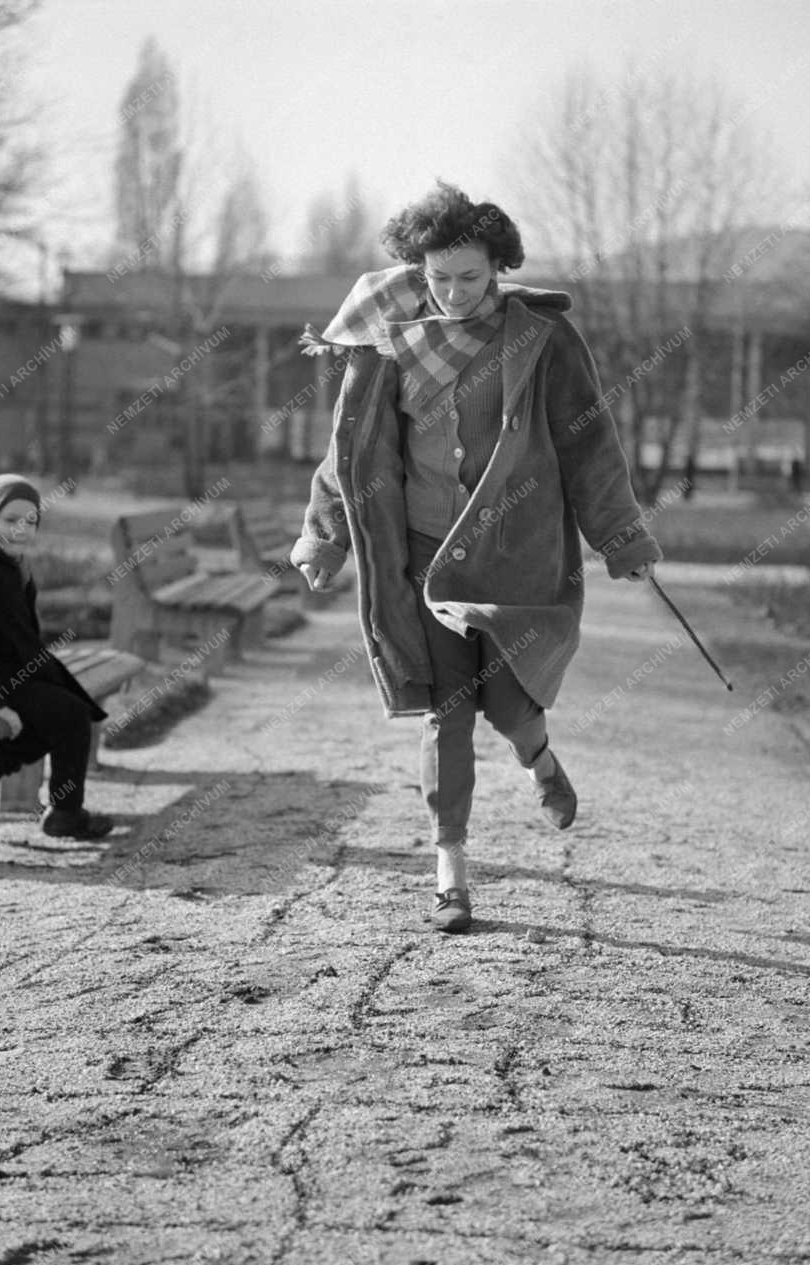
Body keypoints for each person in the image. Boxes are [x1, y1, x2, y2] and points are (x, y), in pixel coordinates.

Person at [291, 182, 661, 934]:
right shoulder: (380, 339)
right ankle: (450, 875)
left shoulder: (542, 340)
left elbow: (588, 444)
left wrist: (622, 539)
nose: (454, 293)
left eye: (470, 276)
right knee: (448, 709)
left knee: (508, 703)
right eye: (439, 277)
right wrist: (323, 537)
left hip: (511, 554)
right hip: (424, 558)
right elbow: (348, 453)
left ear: (498, 268)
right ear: (417, 269)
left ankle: (542, 760)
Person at [0, 473, 114, 841]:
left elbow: (16, 632)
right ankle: (63, 813)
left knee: (69, 706)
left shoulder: (3, 560)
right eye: (10, 520)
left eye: (30, 522)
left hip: (4, 670)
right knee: (69, 714)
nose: (21, 530)